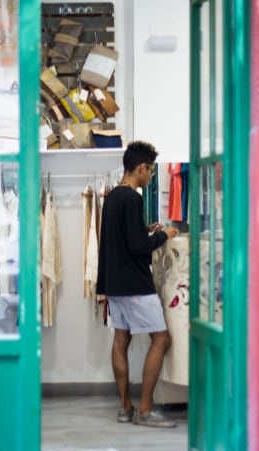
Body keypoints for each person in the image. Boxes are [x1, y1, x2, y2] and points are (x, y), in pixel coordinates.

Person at [96, 141, 180, 428]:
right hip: (134, 283)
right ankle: (144, 410)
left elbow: (122, 238)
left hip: (114, 283)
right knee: (162, 339)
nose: (152, 176)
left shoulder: (112, 197)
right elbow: (137, 247)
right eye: (152, 171)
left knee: (121, 340)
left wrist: (147, 230)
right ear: (142, 168)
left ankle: (125, 407)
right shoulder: (132, 198)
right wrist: (165, 235)